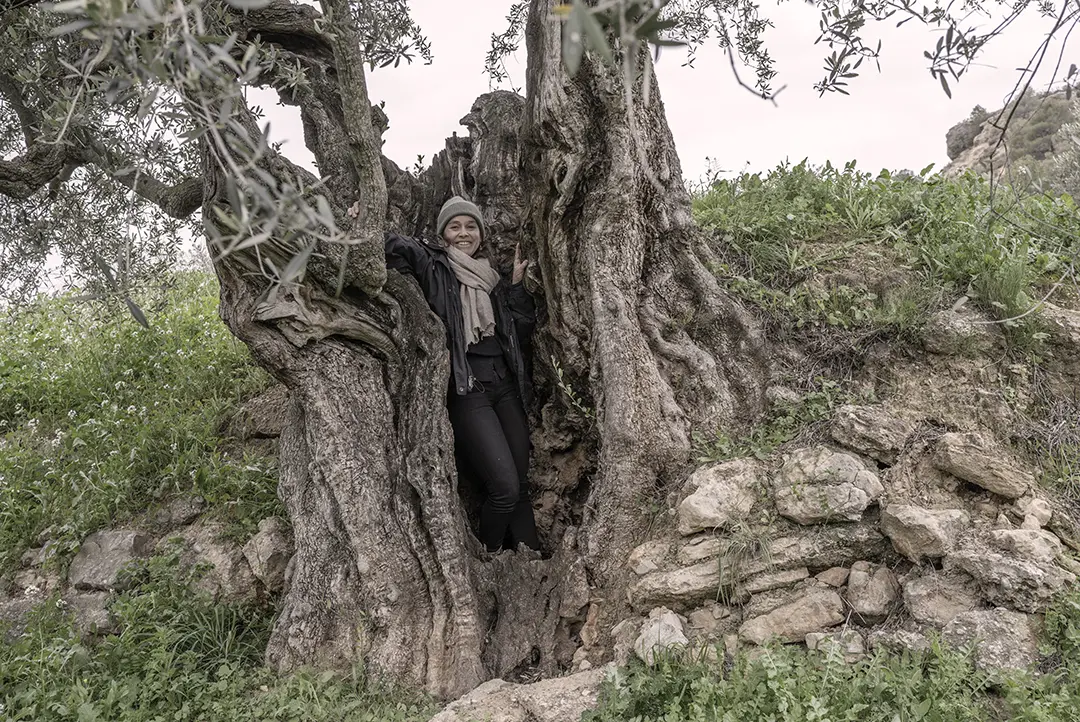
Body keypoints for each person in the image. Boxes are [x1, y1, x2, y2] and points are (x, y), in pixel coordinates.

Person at [385, 196, 540, 552]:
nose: (464, 233)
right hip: (468, 389)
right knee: (503, 488)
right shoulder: (436, 267)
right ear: (443, 233)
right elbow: (401, 248)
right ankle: (490, 558)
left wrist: (516, 287)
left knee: (521, 488)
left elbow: (518, 334)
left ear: (481, 234)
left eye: (471, 226)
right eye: (455, 226)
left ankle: (530, 560)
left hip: (505, 386)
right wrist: (363, 223)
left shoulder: (490, 278)